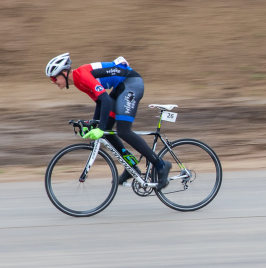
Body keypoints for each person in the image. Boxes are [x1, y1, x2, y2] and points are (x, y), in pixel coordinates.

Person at [45, 53, 172, 189]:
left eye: (54, 77)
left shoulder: (82, 75)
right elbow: (100, 103)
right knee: (106, 132)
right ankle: (132, 167)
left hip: (131, 84)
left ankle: (161, 165)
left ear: (64, 72)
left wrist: (100, 127)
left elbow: (105, 99)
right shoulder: (78, 83)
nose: (52, 81)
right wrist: (94, 124)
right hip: (120, 87)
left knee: (123, 131)